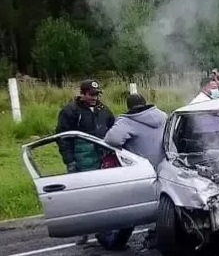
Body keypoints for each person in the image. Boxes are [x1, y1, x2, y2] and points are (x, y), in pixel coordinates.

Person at [101, 94, 167, 249]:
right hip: (165, 166)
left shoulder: (127, 121)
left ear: (128, 106)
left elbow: (111, 141)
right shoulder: (163, 115)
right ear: (145, 103)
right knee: (163, 204)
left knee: (132, 205)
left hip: (141, 170)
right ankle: (159, 235)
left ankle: (117, 243)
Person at [55, 79, 116, 246]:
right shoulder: (69, 112)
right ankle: (83, 231)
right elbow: (63, 139)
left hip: (103, 159)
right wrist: (70, 161)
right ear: (82, 94)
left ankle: (106, 232)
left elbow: (113, 129)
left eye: (97, 94)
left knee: (103, 197)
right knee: (82, 199)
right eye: (91, 94)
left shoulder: (104, 109)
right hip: (81, 160)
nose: (95, 98)